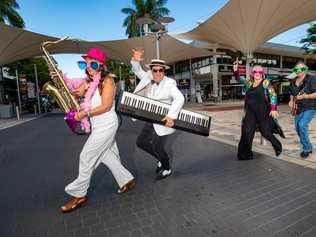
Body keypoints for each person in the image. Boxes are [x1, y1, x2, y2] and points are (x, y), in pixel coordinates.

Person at [60, 48, 135, 213]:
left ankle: (79, 195)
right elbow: (76, 89)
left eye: (92, 63)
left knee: (86, 156)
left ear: (101, 66)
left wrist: (83, 113)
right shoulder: (88, 81)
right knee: (106, 155)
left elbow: (106, 106)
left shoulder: (108, 81)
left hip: (107, 124)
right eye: (85, 64)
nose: (88, 67)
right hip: (97, 125)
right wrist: (62, 78)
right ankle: (127, 180)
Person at [131, 49, 184, 180]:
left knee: (156, 145)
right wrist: (135, 60)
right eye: (155, 70)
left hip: (165, 118)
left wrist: (171, 116)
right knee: (141, 142)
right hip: (150, 118)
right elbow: (137, 71)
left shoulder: (170, 83)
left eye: (161, 70)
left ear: (164, 71)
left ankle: (166, 168)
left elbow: (180, 98)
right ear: (151, 70)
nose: (158, 73)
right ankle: (160, 158)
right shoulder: (147, 78)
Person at [233, 60, 282, 160]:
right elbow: (239, 79)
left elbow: (273, 95)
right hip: (250, 112)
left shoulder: (266, 83)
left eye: (260, 72)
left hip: (263, 112)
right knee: (247, 132)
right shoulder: (249, 82)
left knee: (265, 132)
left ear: (262, 73)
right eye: (255, 72)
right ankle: (245, 154)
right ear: (252, 73)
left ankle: (277, 145)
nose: (257, 74)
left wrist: (273, 109)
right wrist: (235, 70)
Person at [288, 61, 316, 158]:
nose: (299, 71)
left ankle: (306, 148)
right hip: (298, 108)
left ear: (305, 70)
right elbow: (292, 94)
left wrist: (306, 96)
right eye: (296, 69)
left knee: (302, 124)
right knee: (297, 127)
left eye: (301, 69)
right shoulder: (292, 81)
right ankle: (308, 145)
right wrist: (291, 101)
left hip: (310, 106)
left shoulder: (312, 79)